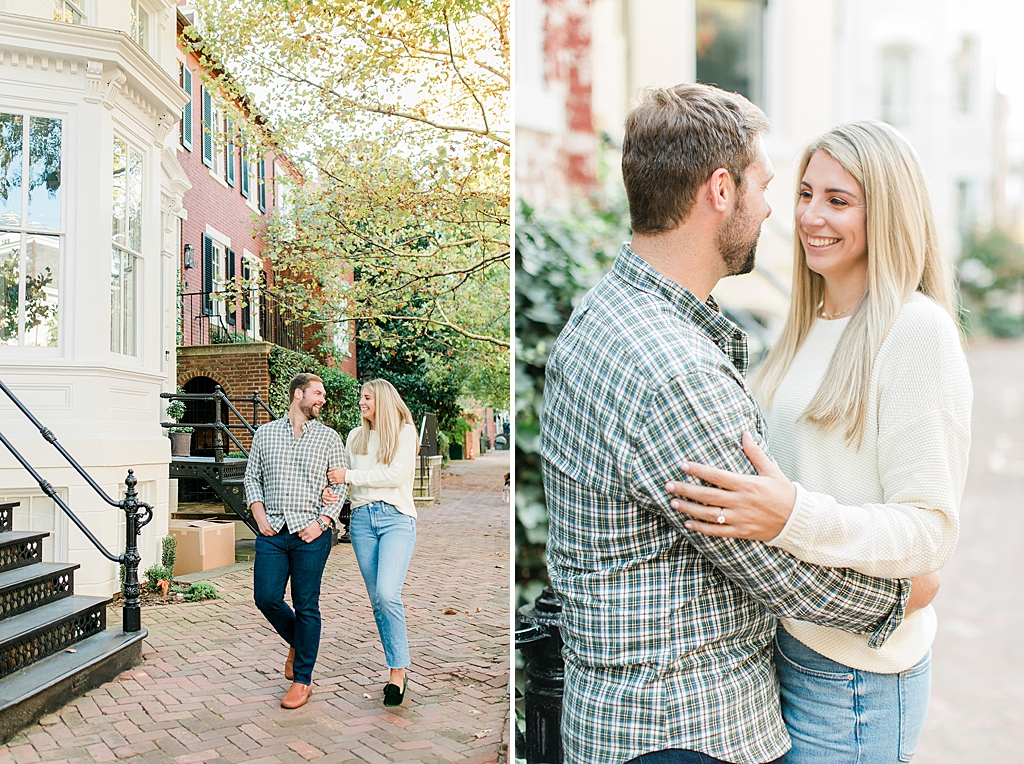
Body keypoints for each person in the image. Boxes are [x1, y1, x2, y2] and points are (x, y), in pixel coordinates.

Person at [540, 83, 939, 764]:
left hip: (624, 721)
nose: (772, 210)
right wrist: (900, 595)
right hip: (684, 728)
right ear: (720, 190)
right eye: (765, 186)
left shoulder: (608, 310)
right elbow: (773, 567)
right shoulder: (674, 369)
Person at [665, 120, 972, 763]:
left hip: (858, 679)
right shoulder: (807, 325)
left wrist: (792, 516)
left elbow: (929, 532)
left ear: (886, 212)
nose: (810, 216)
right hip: (786, 649)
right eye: (805, 194)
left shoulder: (916, 331)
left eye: (838, 200)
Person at [243, 372, 348, 710]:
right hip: (272, 530)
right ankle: (298, 641)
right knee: (266, 598)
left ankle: (303, 679)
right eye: (317, 393)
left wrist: (322, 522)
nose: (322, 400)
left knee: (306, 604)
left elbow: (340, 486)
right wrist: (259, 517)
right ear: (298, 394)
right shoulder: (265, 434)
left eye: (323, 395)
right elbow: (252, 477)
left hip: (311, 534)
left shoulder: (330, 438)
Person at [322, 379, 418, 707]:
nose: (361, 402)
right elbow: (339, 479)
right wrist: (329, 493)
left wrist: (348, 477)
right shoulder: (355, 436)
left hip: (396, 519)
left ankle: (399, 671)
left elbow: (395, 476)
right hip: (362, 521)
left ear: (383, 400)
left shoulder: (405, 432)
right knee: (377, 600)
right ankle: (395, 669)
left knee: (388, 593)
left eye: (367, 397)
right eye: (361, 397)